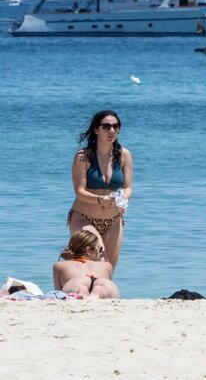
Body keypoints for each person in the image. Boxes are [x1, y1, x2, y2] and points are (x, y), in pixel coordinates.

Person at [68, 110, 133, 271]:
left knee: (107, 269)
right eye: (106, 126)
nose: (112, 131)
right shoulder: (83, 157)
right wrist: (100, 199)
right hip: (84, 218)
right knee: (94, 264)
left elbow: (128, 187)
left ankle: (99, 296)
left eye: (116, 127)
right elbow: (79, 192)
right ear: (96, 129)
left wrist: (123, 199)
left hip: (113, 221)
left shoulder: (124, 155)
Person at [52, 227, 120, 299]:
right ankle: (98, 291)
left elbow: (58, 293)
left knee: (79, 288)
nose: (100, 253)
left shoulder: (60, 265)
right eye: (99, 249)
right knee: (103, 288)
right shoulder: (107, 265)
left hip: (77, 281)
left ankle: (82, 291)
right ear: (88, 250)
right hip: (102, 282)